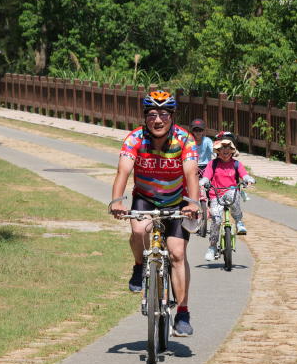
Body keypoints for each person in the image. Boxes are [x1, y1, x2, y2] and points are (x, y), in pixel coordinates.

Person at [109, 91, 201, 337]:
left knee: (177, 253)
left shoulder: (185, 139)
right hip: (145, 198)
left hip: (178, 201)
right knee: (139, 230)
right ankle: (140, 266)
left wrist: (193, 203)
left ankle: (182, 312)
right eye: (152, 115)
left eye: (163, 114)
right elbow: (123, 172)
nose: (157, 120)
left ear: (171, 116)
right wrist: (117, 201)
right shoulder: (135, 138)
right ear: (145, 117)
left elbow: (192, 174)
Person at [201, 131, 255, 261]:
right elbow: (206, 176)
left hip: (231, 194)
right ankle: (212, 247)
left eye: (228, 148)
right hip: (216, 196)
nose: (225, 150)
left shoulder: (237, 164)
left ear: (232, 150)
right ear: (218, 151)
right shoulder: (212, 164)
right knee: (216, 220)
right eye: (222, 148)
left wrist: (248, 178)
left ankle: (239, 222)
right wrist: (203, 182)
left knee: (232, 193)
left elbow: (244, 174)